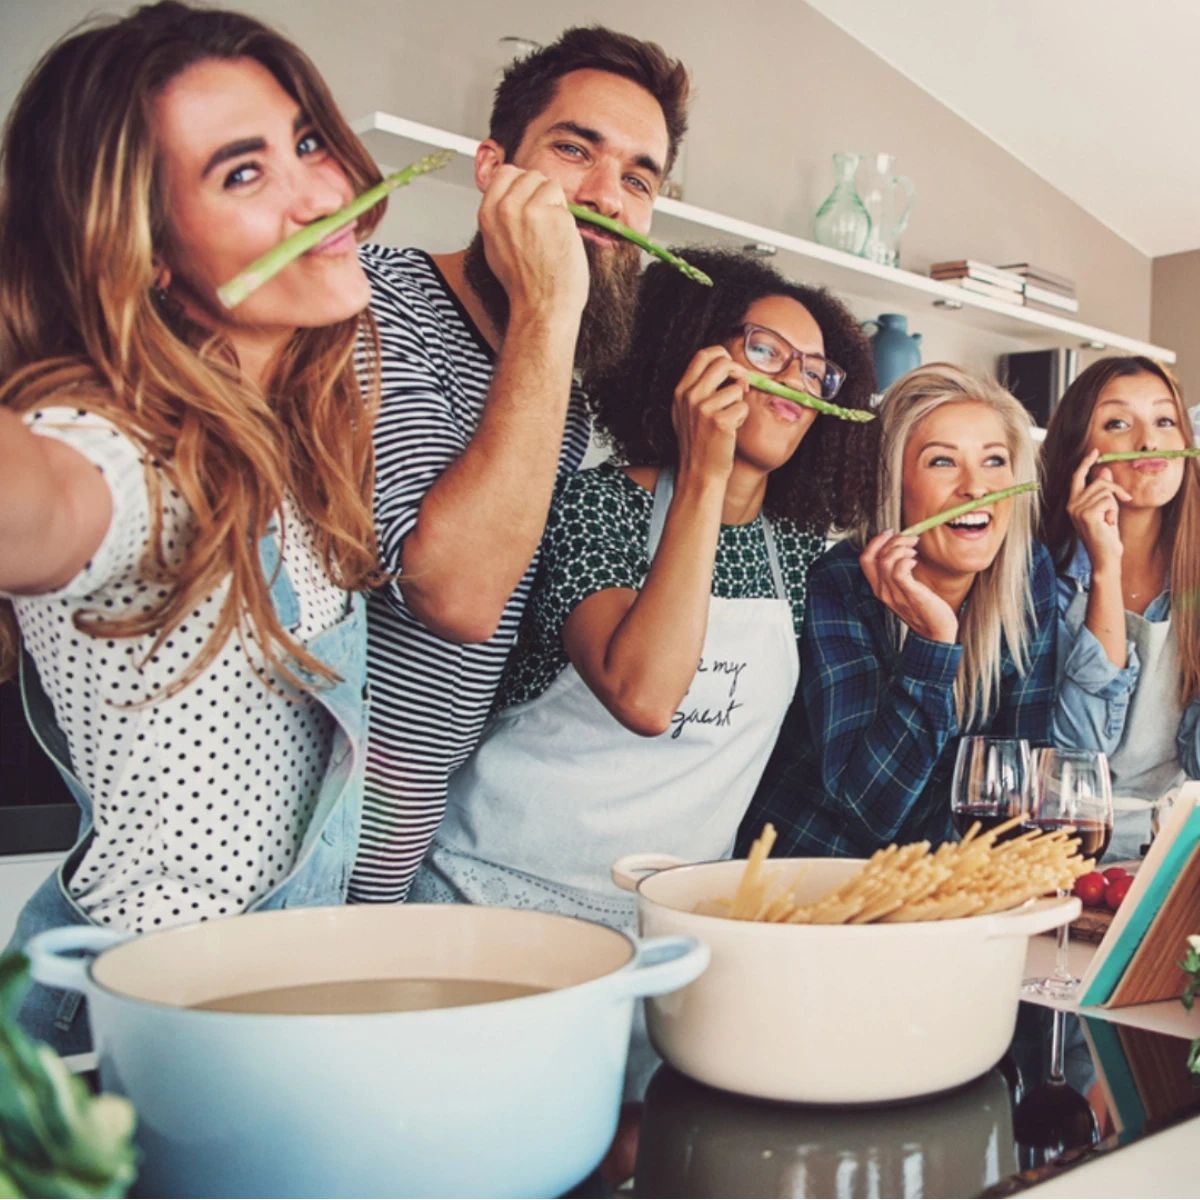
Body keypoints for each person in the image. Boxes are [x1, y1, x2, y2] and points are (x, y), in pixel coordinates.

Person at [0, 1, 385, 1052]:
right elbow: (45, 497)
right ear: (149, 250)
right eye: (242, 173)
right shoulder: (127, 446)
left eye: (306, 141)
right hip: (137, 1034)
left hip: (258, 1013)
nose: (319, 193)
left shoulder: (291, 435)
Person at [408, 248, 878, 926]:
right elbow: (644, 695)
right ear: (687, 353)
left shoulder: (802, 552)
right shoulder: (593, 505)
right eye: (767, 350)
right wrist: (702, 477)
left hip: (673, 914)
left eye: (815, 369)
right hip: (492, 896)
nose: (795, 382)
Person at [350, 27, 692, 903]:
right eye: (575, 149)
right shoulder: (369, 303)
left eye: (638, 178)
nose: (604, 197)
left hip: (406, 855)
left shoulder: (558, 395)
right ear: (493, 167)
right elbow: (456, 595)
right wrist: (551, 307)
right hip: (289, 850)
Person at [738, 364, 1056, 859]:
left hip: (930, 890)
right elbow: (870, 811)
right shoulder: (840, 584)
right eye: (941, 462)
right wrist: (933, 647)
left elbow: (1021, 774)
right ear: (893, 485)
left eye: (994, 460)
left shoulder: (1027, 573)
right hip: (802, 881)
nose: (976, 488)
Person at [1043, 356, 1200, 859]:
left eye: (1164, 421)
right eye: (1118, 423)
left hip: (1170, 859)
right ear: (1078, 451)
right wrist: (1105, 571)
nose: (1149, 443)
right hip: (1052, 856)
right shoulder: (1038, 577)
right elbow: (1076, 758)